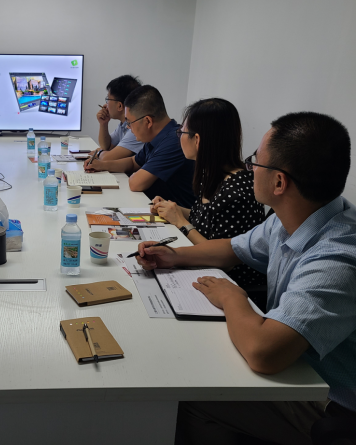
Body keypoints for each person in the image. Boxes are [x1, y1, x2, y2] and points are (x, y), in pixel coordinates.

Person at [135, 112, 355, 444]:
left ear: (279, 183)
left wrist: (232, 297)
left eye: (255, 161)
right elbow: (232, 248)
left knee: (190, 395)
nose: (249, 169)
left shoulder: (337, 259)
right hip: (299, 372)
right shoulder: (298, 214)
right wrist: (173, 256)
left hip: (330, 407)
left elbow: (263, 352)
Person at [151, 98, 266, 288]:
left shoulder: (237, 191)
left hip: (231, 285)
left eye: (181, 132)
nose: (179, 137)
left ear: (197, 140)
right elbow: (206, 217)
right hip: (206, 272)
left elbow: (223, 260)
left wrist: (181, 222)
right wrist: (172, 209)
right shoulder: (215, 174)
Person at [84, 85, 196, 208]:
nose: (128, 127)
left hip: (176, 215)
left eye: (130, 122)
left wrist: (131, 174)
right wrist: (101, 165)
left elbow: (136, 183)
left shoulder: (174, 141)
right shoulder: (156, 137)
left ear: (148, 121)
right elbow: (133, 162)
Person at [92, 75, 144, 161]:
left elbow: (106, 158)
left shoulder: (135, 128)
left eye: (108, 99)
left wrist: (99, 152)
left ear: (119, 106)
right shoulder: (123, 124)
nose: (106, 105)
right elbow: (106, 147)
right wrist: (103, 123)